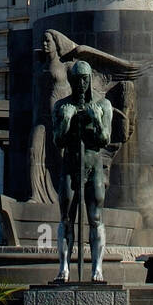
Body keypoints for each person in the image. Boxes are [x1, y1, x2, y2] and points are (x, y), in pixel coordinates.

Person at [52, 60, 113, 283]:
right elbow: (58, 140)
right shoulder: (61, 106)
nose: (81, 83)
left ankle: (97, 268)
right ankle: (64, 269)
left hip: (93, 164)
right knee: (66, 218)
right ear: (71, 80)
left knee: (95, 218)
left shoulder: (103, 104)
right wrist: (66, 121)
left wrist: (96, 119)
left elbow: (105, 138)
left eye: (85, 79)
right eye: (77, 79)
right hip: (70, 165)